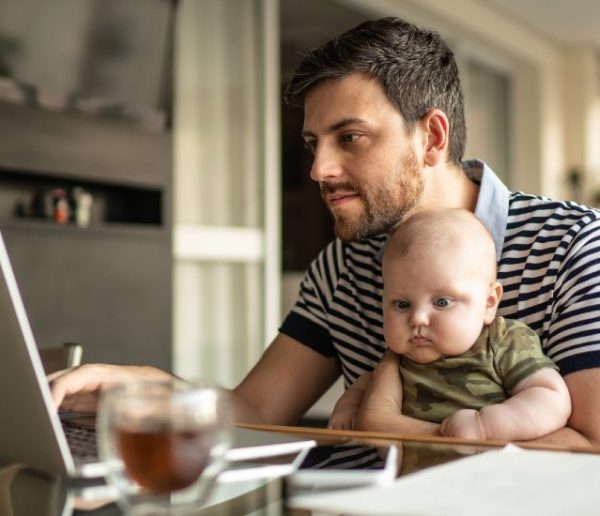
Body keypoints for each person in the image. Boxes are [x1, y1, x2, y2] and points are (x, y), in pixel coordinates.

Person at [49, 17, 600, 446]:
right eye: (314, 143)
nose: (318, 170)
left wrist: (399, 431)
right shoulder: (341, 267)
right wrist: (147, 389)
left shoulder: (574, 246)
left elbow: (590, 448)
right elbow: (258, 412)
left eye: (350, 137)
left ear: (431, 137)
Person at [328, 208, 571, 441]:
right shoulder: (400, 358)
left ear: (488, 303)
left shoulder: (502, 341)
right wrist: (348, 408)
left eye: (442, 302)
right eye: (402, 304)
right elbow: (364, 385)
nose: (417, 319)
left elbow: (550, 396)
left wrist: (485, 425)